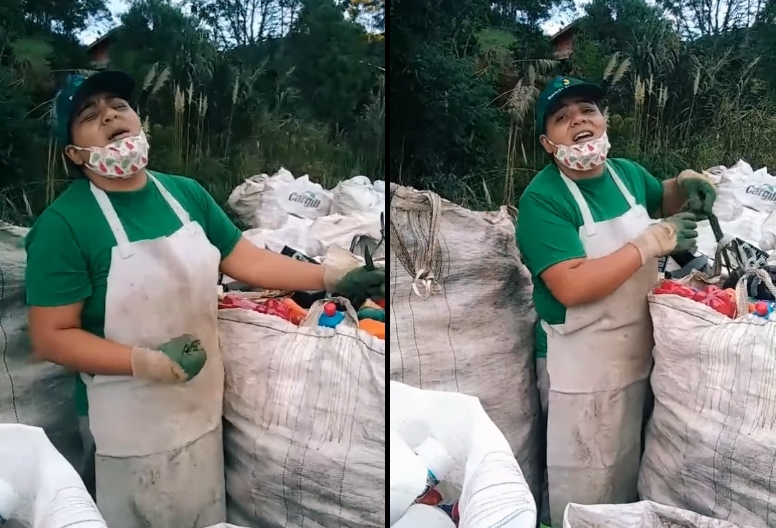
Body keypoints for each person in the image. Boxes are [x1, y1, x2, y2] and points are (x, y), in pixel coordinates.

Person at [24, 70, 384, 528]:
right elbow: (52, 337)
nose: (110, 115)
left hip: (199, 407)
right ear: (75, 153)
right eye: (90, 115)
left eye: (119, 105)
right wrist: (145, 362)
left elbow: (247, 262)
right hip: (125, 429)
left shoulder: (184, 194)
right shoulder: (64, 226)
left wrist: (334, 276)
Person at [515, 76, 716, 528]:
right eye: (562, 118)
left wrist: (687, 183)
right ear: (549, 143)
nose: (579, 121)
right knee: (585, 485)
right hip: (581, 368)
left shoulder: (626, 174)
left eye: (587, 110)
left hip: (636, 353)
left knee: (629, 468)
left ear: (604, 121)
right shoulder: (543, 200)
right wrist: (649, 245)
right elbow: (570, 286)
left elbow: (661, 197)